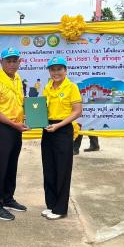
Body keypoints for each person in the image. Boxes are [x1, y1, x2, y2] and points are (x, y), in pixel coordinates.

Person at [0, 47, 29, 221]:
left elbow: (20, 103)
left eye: (14, 61)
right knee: (0, 166)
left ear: (19, 62)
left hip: (16, 128)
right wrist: (13, 124)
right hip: (3, 128)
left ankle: (8, 198)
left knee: (12, 164)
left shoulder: (17, 79)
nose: (12, 64)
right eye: (8, 61)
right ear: (1, 62)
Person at [41, 57, 82, 220]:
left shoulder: (71, 87)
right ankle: (51, 205)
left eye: (59, 69)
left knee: (62, 170)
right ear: (49, 71)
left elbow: (77, 111)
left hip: (63, 129)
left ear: (65, 71)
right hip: (48, 128)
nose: (56, 72)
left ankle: (60, 209)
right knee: (49, 168)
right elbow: (42, 108)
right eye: (52, 69)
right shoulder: (48, 87)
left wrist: (59, 125)